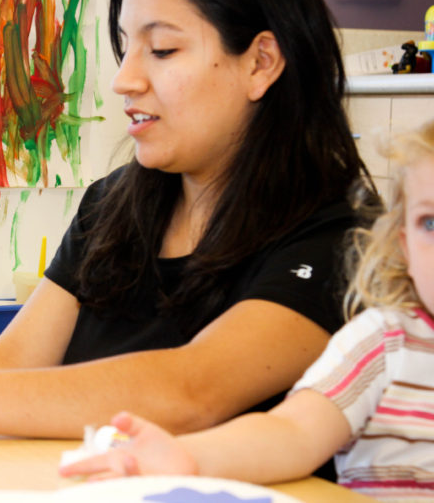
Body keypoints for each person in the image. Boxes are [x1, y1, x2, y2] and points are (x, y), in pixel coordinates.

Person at [0, 0, 378, 447]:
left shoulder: (341, 236)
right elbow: (12, 361)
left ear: (260, 63)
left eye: (161, 50)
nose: (123, 80)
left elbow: (192, 390)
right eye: (124, 47)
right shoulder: (113, 204)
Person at [58, 118, 434, 502]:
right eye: (430, 222)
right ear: (403, 245)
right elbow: (293, 433)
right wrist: (186, 456)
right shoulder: (384, 342)